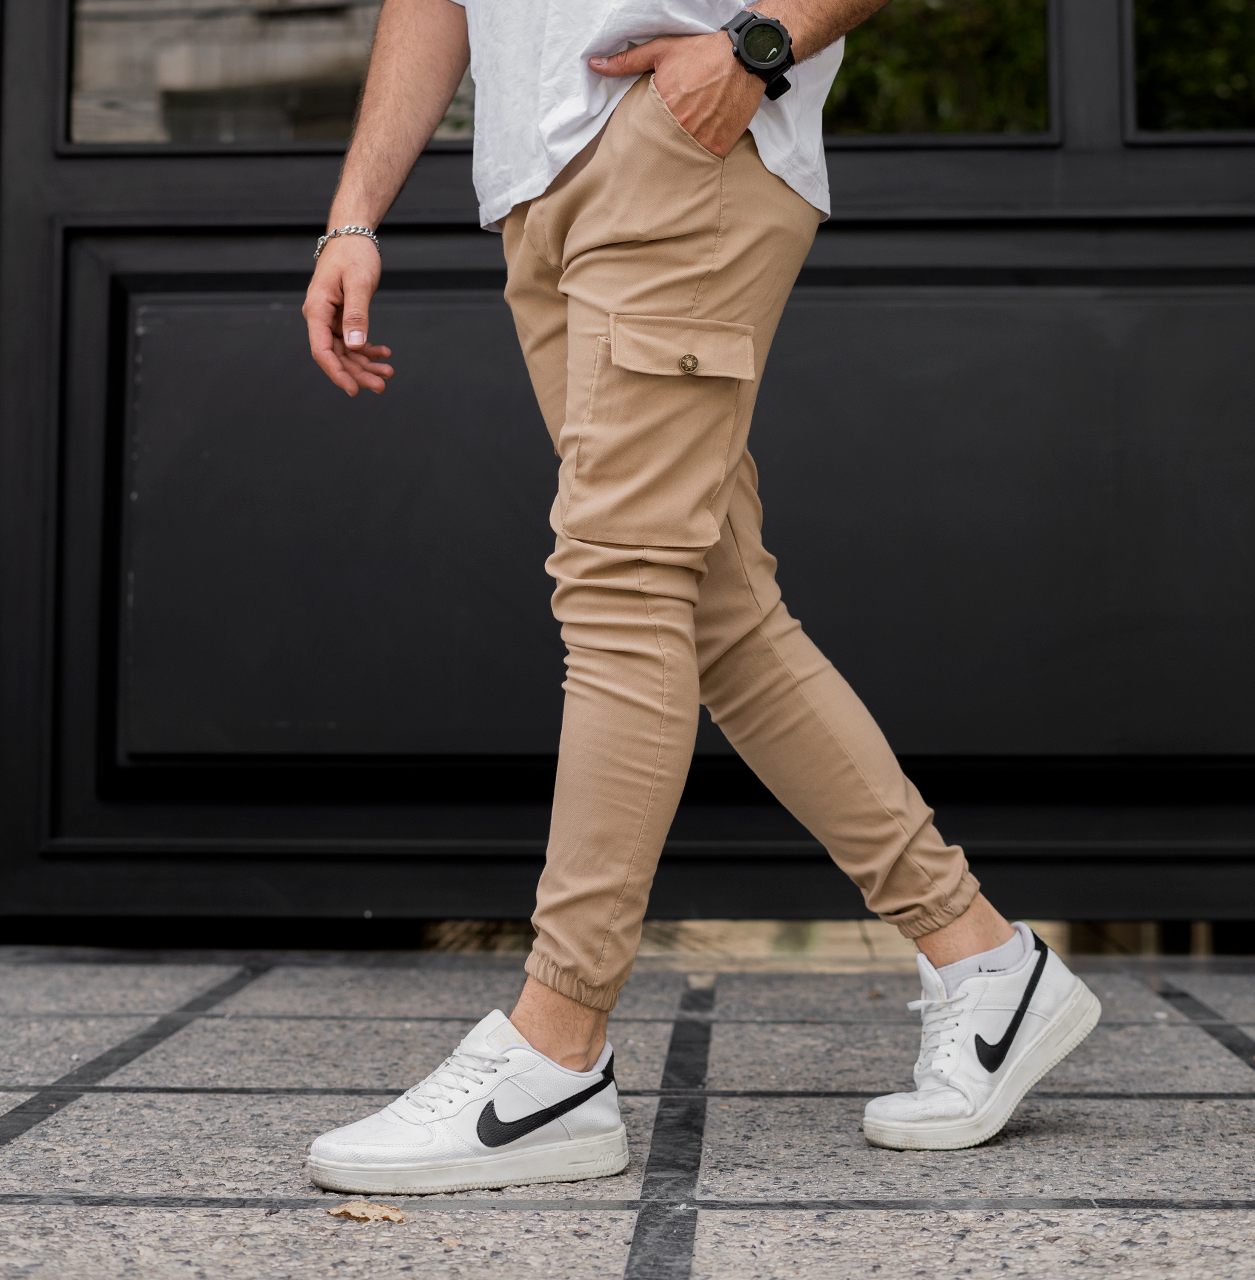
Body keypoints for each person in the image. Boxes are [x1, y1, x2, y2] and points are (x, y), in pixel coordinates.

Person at [300, 0, 1102, 1194]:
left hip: (679, 143)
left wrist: (755, 46)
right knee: (719, 613)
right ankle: (984, 961)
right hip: (536, 183)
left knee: (619, 584)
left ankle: (552, 1049)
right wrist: (353, 214)